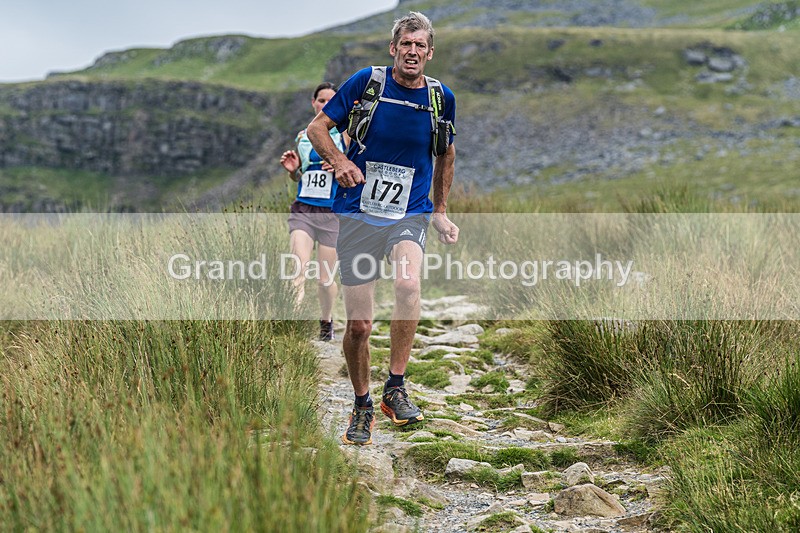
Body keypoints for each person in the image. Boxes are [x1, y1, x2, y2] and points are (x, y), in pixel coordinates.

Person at [307, 11, 459, 445]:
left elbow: (446, 153)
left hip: (409, 211)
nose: (412, 52)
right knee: (358, 326)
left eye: (420, 46)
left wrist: (441, 209)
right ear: (394, 48)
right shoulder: (366, 83)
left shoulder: (439, 98)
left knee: (409, 286)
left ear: (430, 53)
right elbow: (317, 129)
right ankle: (362, 404)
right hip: (358, 211)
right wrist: (340, 162)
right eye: (405, 45)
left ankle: (395, 386)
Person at [280, 82, 348, 341]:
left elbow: (355, 172)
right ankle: (295, 326)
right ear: (313, 103)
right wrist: (293, 171)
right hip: (304, 210)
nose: (325, 105)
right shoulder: (303, 136)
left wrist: (340, 166)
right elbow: (301, 176)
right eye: (321, 100)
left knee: (324, 280)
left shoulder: (345, 136)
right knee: (297, 270)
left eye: (332, 101)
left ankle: (326, 319)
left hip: (332, 213)